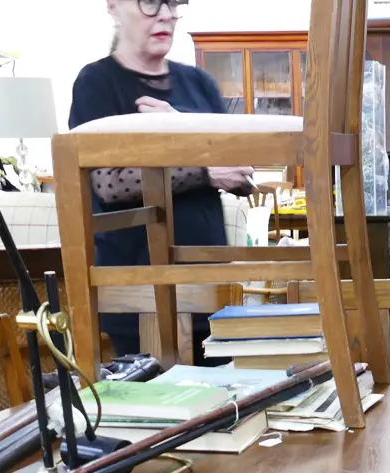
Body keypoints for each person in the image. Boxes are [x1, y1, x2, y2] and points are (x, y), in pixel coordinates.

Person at [69, 0, 255, 363]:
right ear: (113, 7)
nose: (167, 14)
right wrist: (203, 168)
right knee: (162, 413)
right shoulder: (97, 83)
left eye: (174, 3)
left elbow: (242, 171)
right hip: (140, 295)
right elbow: (110, 183)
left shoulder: (198, 82)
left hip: (211, 292)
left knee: (226, 410)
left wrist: (182, 132)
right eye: (151, 2)